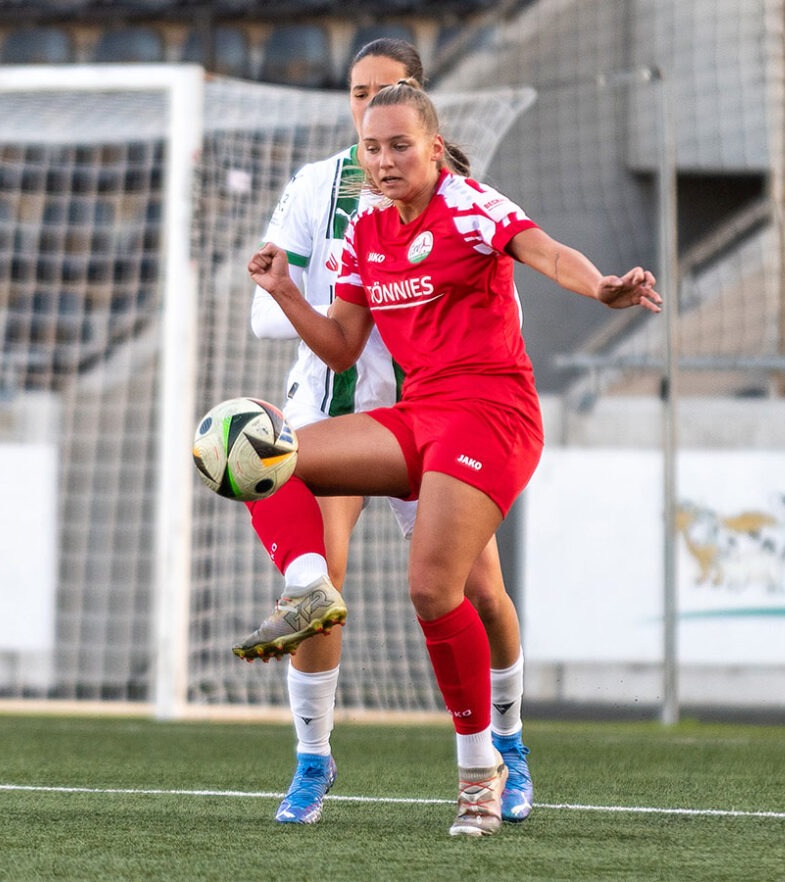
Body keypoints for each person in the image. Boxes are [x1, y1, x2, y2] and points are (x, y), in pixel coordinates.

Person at [243, 82, 660, 836]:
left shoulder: (470, 204)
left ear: (434, 147)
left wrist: (600, 286)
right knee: (256, 448)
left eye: (400, 144)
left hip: (491, 413)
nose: (384, 160)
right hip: (417, 414)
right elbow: (340, 345)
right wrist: (283, 293)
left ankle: (482, 771)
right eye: (372, 147)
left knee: (436, 589)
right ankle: (308, 588)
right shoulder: (365, 230)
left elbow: (547, 252)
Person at [239, 38, 536, 828]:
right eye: (355, 94)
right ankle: (312, 760)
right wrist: (313, 292)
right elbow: (262, 311)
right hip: (335, 405)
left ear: (420, 101)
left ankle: (506, 742)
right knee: (316, 587)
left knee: (478, 594)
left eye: (385, 93)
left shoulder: (459, 197)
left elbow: (499, 301)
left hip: (438, 414)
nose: (367, 106)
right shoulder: (316, 186)